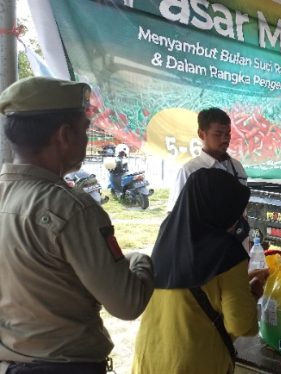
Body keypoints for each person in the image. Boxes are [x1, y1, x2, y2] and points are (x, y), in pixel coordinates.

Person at [0, 77, 154, 373]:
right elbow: (127, 302)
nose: (87, 139)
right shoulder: (71, 208)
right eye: (85, 130)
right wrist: (143, 260)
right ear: (65, 135)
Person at [132, 168, 268, 374]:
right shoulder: (227, 251)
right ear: (221, 208)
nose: (239, 217)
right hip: (195, 363)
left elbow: (189, 291)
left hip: (148, 359)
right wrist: (253, 293)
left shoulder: (168, 236)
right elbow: (239, 324)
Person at [167, 107, 247, 211]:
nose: (225, 139)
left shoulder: (237, 167)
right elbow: (176, 214)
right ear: (201, 134)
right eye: (217, 134)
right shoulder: (189, 171)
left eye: (227, 134)